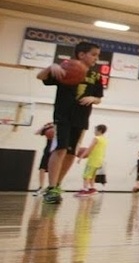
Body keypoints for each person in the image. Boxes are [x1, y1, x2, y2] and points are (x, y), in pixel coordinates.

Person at [36, 41, 104, 204]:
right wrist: (50, 67)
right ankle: (51, 188)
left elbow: (99, 98)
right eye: (94, 54)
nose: (97, 58)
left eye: (98, 55)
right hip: (63, 116)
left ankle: (58, 184)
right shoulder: (65, 69)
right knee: (60, 148)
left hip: (81, 118)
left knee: (71, 153)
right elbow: (40, 77)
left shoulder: (96, 76)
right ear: (81, 54)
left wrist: (93, 99)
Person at [76, 123, 108, 196]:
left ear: (99, 130)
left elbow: (90, 148)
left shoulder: (96, 138)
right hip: (100, 160)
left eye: (95, 130)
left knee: (86, 175)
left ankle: (85, 189)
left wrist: (81, 156)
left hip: (93, 159)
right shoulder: (105, 140)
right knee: (92, 175)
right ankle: (92, 188)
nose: (94, 132)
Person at [33, 122, 54, 195]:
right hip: (47, 150)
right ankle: (41, 187)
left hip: (56, 151)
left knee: (53, 170)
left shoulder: (62, 127)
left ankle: (52, 187)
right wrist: (44, 127)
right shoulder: (50, 126)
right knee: (42, 168)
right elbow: (36, 133)